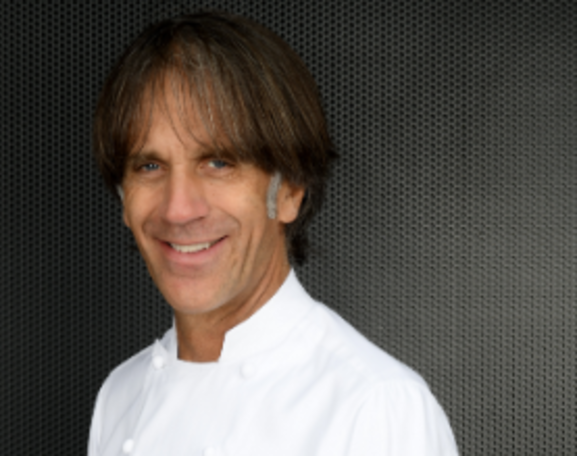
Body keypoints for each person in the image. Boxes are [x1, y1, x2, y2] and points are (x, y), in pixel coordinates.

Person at [89, 11, 458, 456]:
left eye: (218, 162)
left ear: (290, 190)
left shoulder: (376, 408)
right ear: (123, 198)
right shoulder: (120, 395)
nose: (178, 209)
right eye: (150, 166)